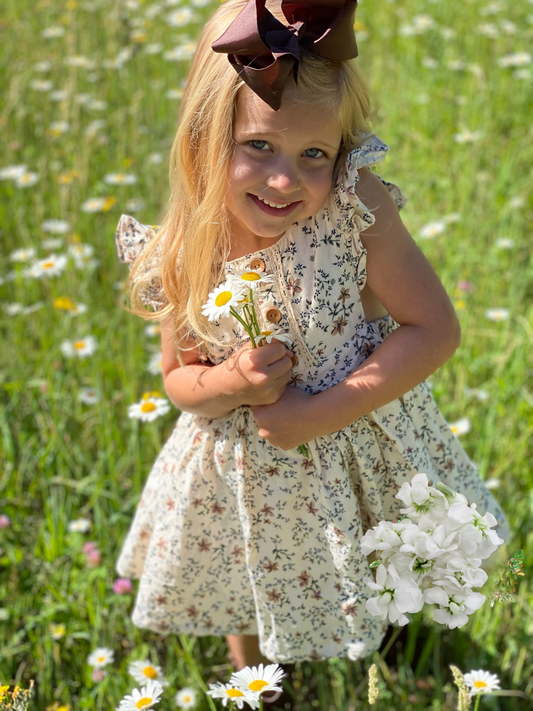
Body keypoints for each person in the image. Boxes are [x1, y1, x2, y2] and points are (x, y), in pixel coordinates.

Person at [114, 0, 509, 684]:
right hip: (240, 473)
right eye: (258, 146)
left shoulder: (356, 209)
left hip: (355, 442)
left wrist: (315, 414)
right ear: (204, 138)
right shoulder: (182, 250)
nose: (282, 179)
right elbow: (178, 379)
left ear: (341, 152)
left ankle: (387, 664)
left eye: (313, 154)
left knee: (375, 559)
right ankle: (262, 687)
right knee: (247, 576)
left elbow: (433, 328)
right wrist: (230, 384)